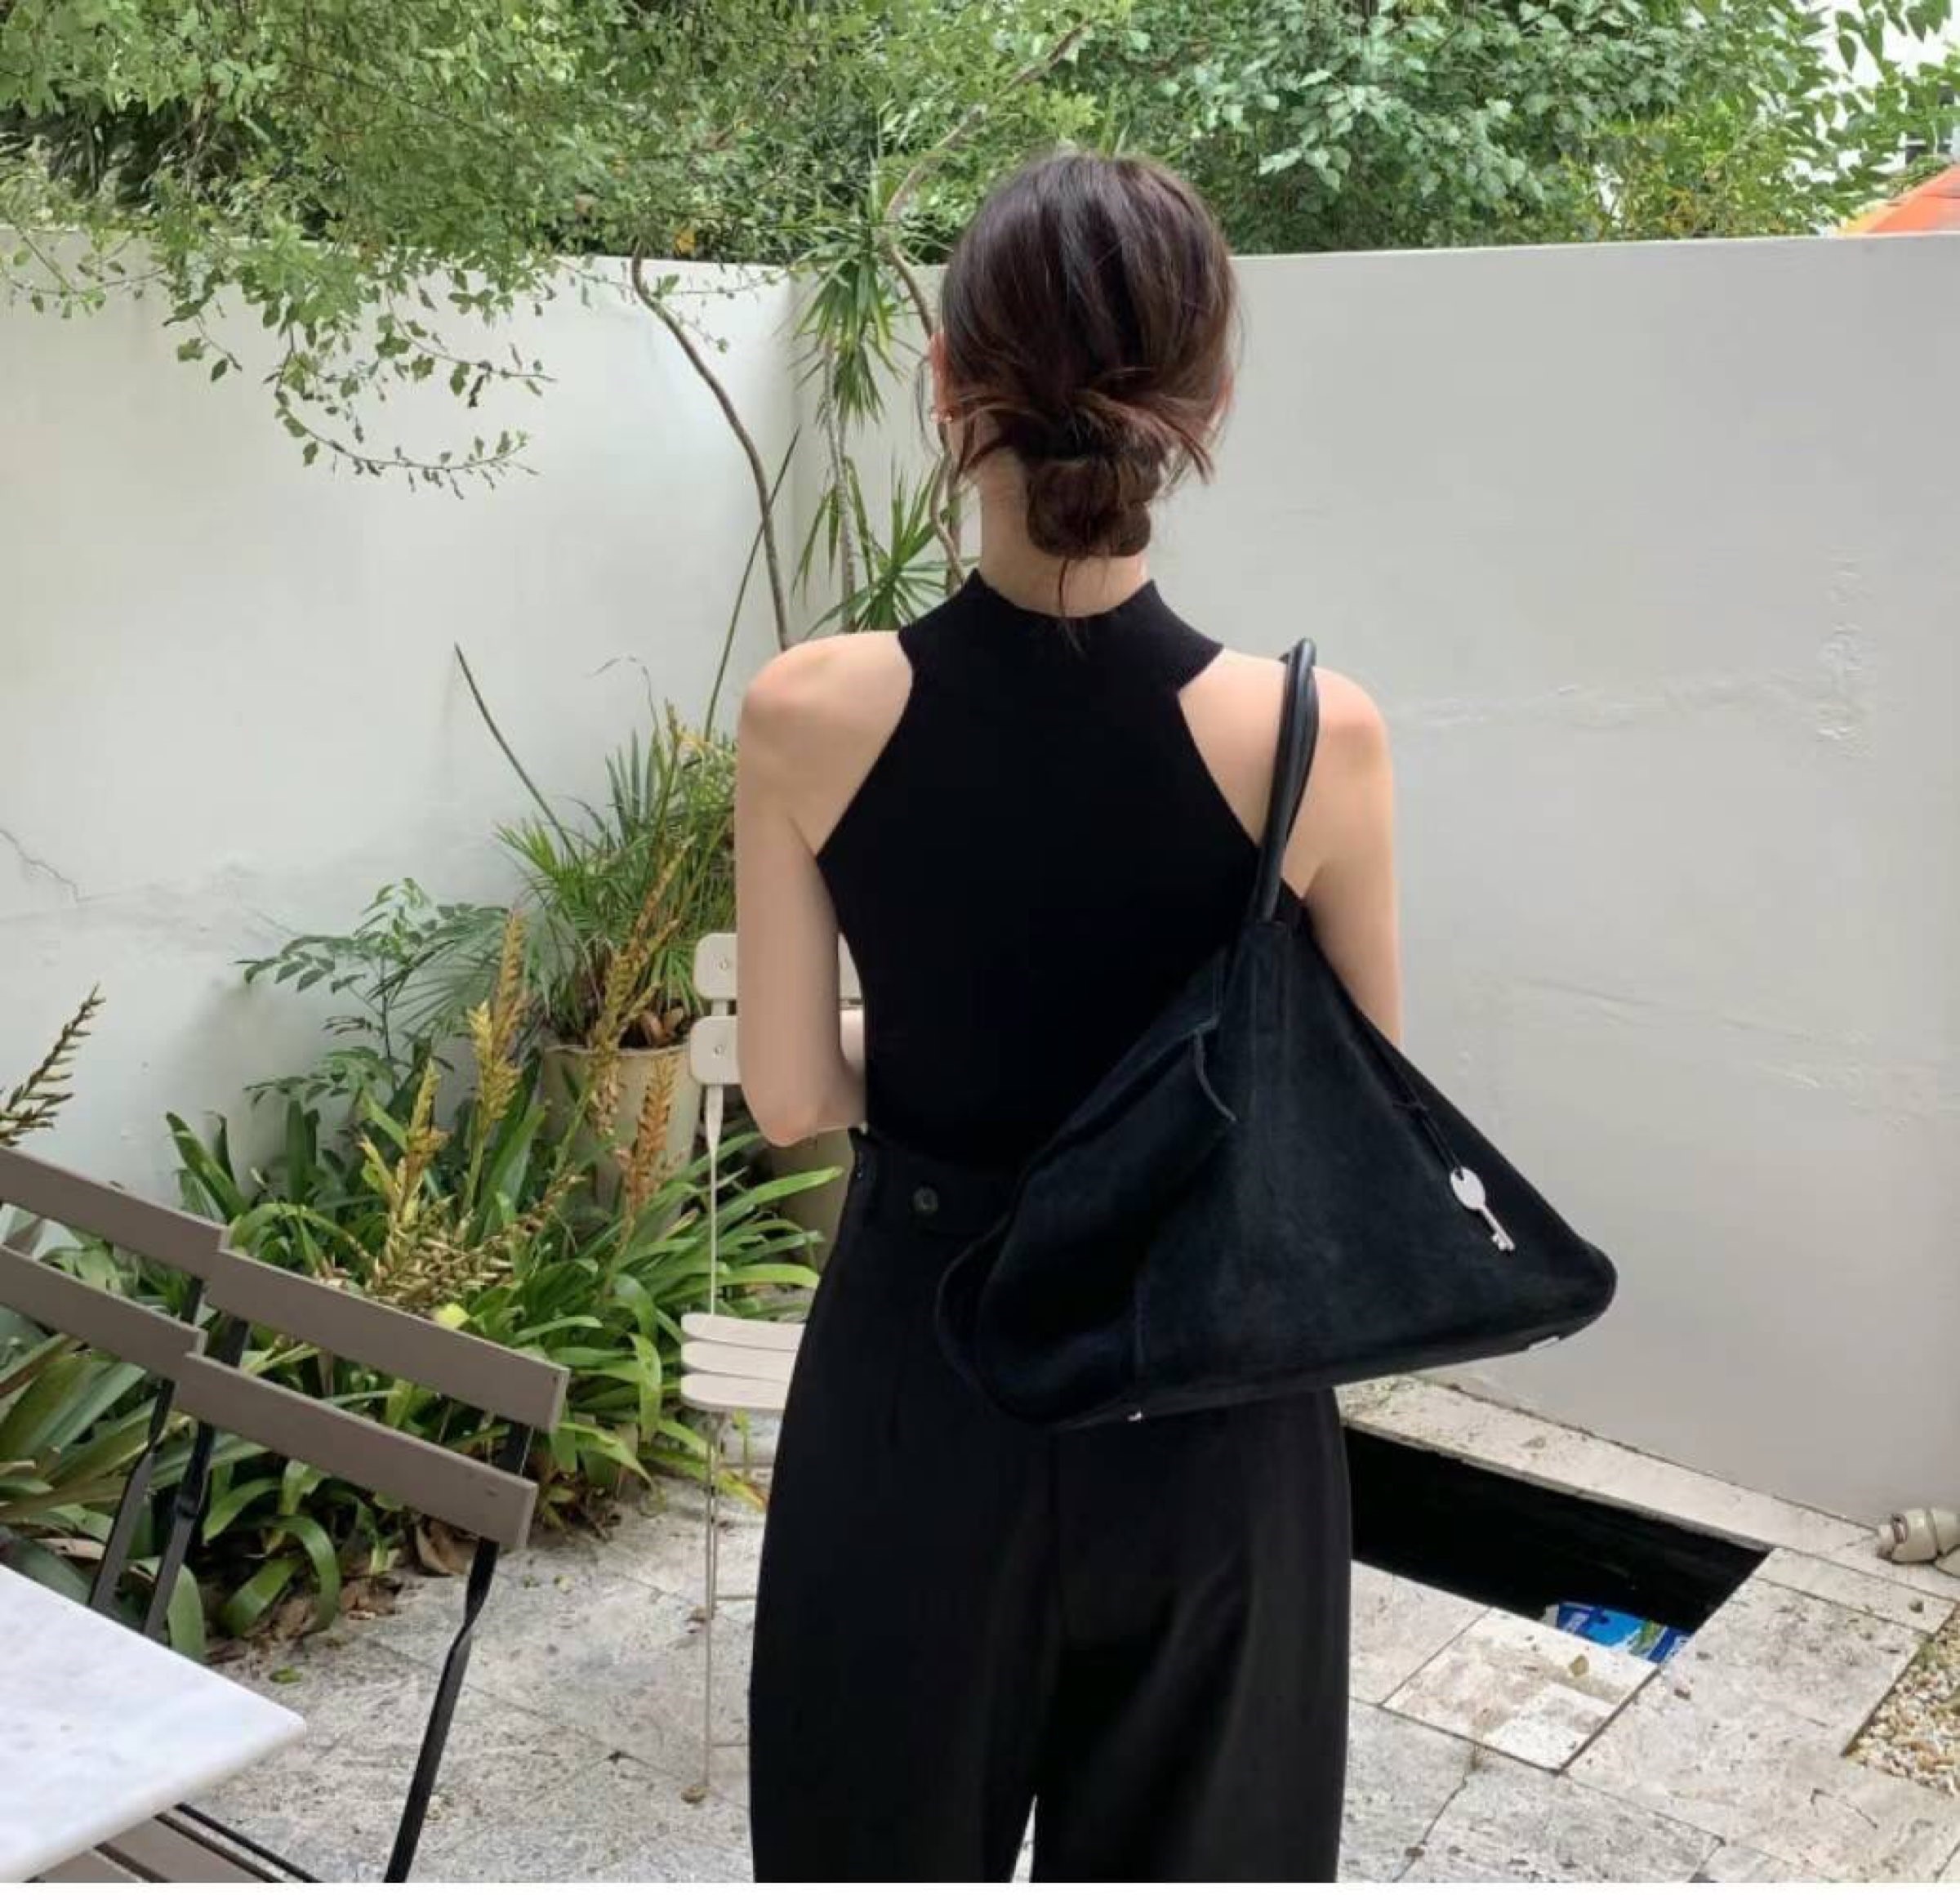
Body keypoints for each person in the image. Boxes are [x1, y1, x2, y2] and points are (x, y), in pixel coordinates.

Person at [732, 148, 1400, 1881]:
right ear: (1206, 402)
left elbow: (791, 1094)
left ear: (947, 384)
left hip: (917, 1391)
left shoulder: (810, 710)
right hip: (1214, 1416)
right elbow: (1357, 1109)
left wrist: (940, 1064)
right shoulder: (1317, 737)